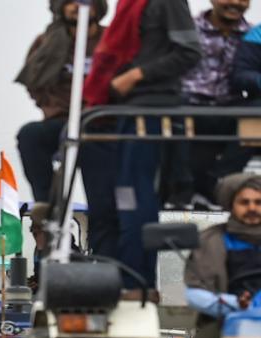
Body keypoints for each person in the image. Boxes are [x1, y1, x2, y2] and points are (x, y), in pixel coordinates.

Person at [80, 0, 201, 294]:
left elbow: (189, 52)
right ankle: (119, 278)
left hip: (153, 110)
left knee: (135, 200)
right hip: (125, 111)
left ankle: (136, 281)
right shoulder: (130, 6)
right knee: (119, 200)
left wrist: (136, 75)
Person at [180, 173, 261, 338]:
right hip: (228, 320)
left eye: (258, 202)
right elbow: (194, 293)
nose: (252, 208)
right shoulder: (211, 239)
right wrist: (233, 303)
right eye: (244, 202)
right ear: (231, 205)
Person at [16, 0, 109, 202]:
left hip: (102, 121)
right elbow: (34, 82)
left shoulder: (111, 38)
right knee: (31, 136)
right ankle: (46, 205)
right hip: (63, 119)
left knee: (101, 195)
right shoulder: (46, 43)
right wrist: (53, 106)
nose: (77, 6)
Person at [166, 0, 252, 208]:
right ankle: (182, 189)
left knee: (257, 113)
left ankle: (218, 182)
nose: (235, 3)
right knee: (174, 108)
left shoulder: (251, 36)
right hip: (187, 102)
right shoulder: (188, 28)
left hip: (228, 105)